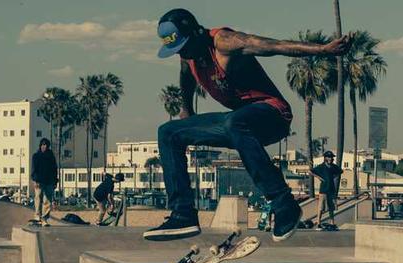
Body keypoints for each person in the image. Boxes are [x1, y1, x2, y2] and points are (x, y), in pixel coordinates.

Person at [143, 8, 348, 241]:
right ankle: (183, 214)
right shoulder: (187, 55)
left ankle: (284, 205)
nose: (186, 53)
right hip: (239, 123)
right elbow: (186, 77)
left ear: (197, 32)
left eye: (186, 46)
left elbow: (273, 46)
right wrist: (186, 109)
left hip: (273, 115)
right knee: (168, 133)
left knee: (234, 122)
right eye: (180, 50)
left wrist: (322, 50)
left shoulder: (225, 42)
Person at [30, 138, 58, 225]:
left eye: (46, 145)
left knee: (48, 201)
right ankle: (37, 215)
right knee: (38, 198)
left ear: (48, 146)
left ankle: (44, 218)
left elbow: (54, 169)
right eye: (43, 145)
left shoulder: (51, 157)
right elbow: (33, 169)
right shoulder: (36, 156)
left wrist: (55, 181)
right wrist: (34, 180)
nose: (44, 147)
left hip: (49, 181)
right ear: (40, 146)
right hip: (39, 181)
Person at [311, 150, 343, 229]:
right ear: (325, 158)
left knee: (331, 208)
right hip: (323, 190)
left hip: (331, 190)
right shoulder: (321, 166)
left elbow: (340, 171)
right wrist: (319, 177)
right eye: (329, 157)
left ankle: (332, 223)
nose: (331, 159)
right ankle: (318, 223)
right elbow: (311, 171)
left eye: (332, 157)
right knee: (321, 208)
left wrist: (334, 177)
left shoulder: (333, 166)